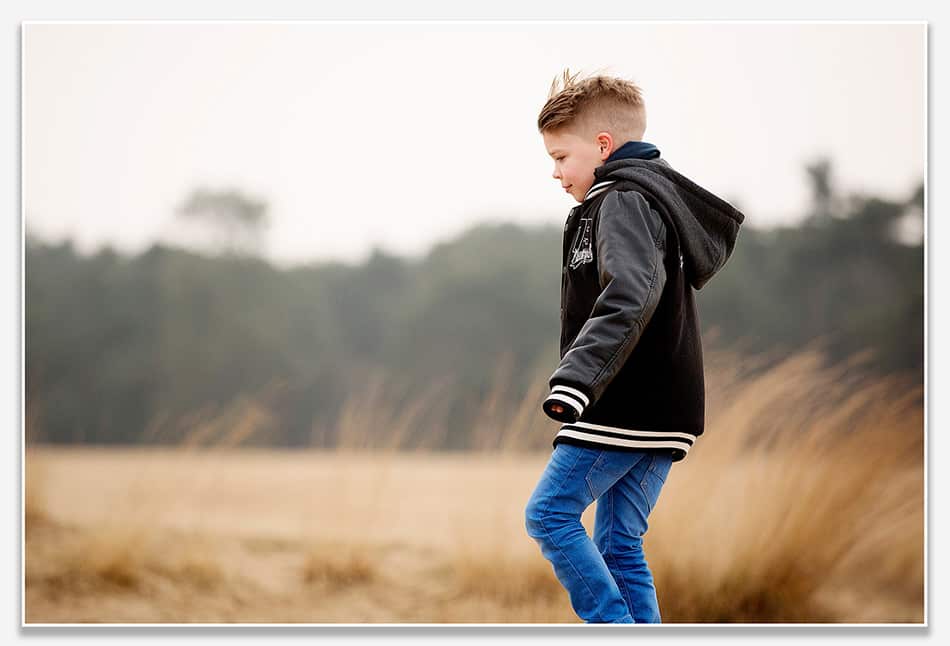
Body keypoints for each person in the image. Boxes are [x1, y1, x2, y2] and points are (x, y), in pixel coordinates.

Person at [524, 70, 745, 624]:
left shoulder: (621, 199)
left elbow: (631, 291)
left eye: (560, 157)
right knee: (620, 544)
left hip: (624, 401)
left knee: (549, 515)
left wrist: (576, 379)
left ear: (602, 146)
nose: (554, 173)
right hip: (666, 408)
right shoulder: (647, 201)